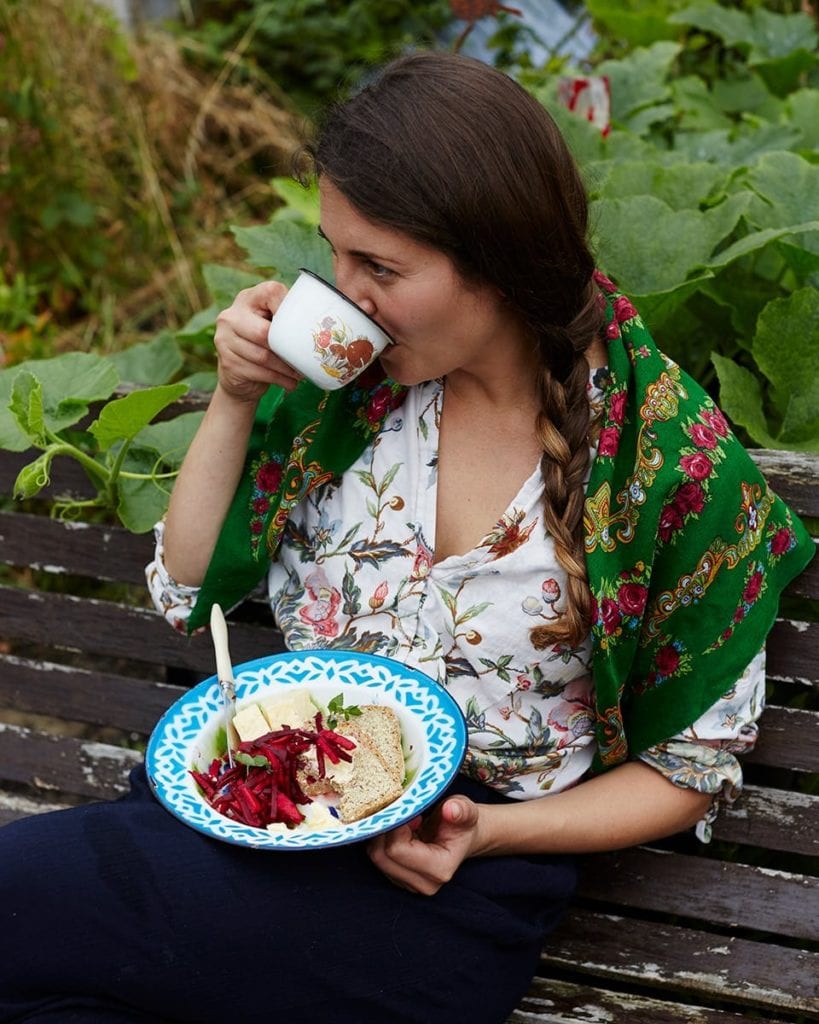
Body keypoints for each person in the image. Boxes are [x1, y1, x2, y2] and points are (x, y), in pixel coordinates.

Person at [0, 51, 813, 1024]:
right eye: (336, 253)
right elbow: (184, 587)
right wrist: (234, 395)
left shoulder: (661, 458)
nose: (345, 294)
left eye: (378, 266)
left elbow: (687, 771)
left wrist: (487, 836)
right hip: (261, 813)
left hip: (436, 892)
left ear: (501, 264)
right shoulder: (345, 394)